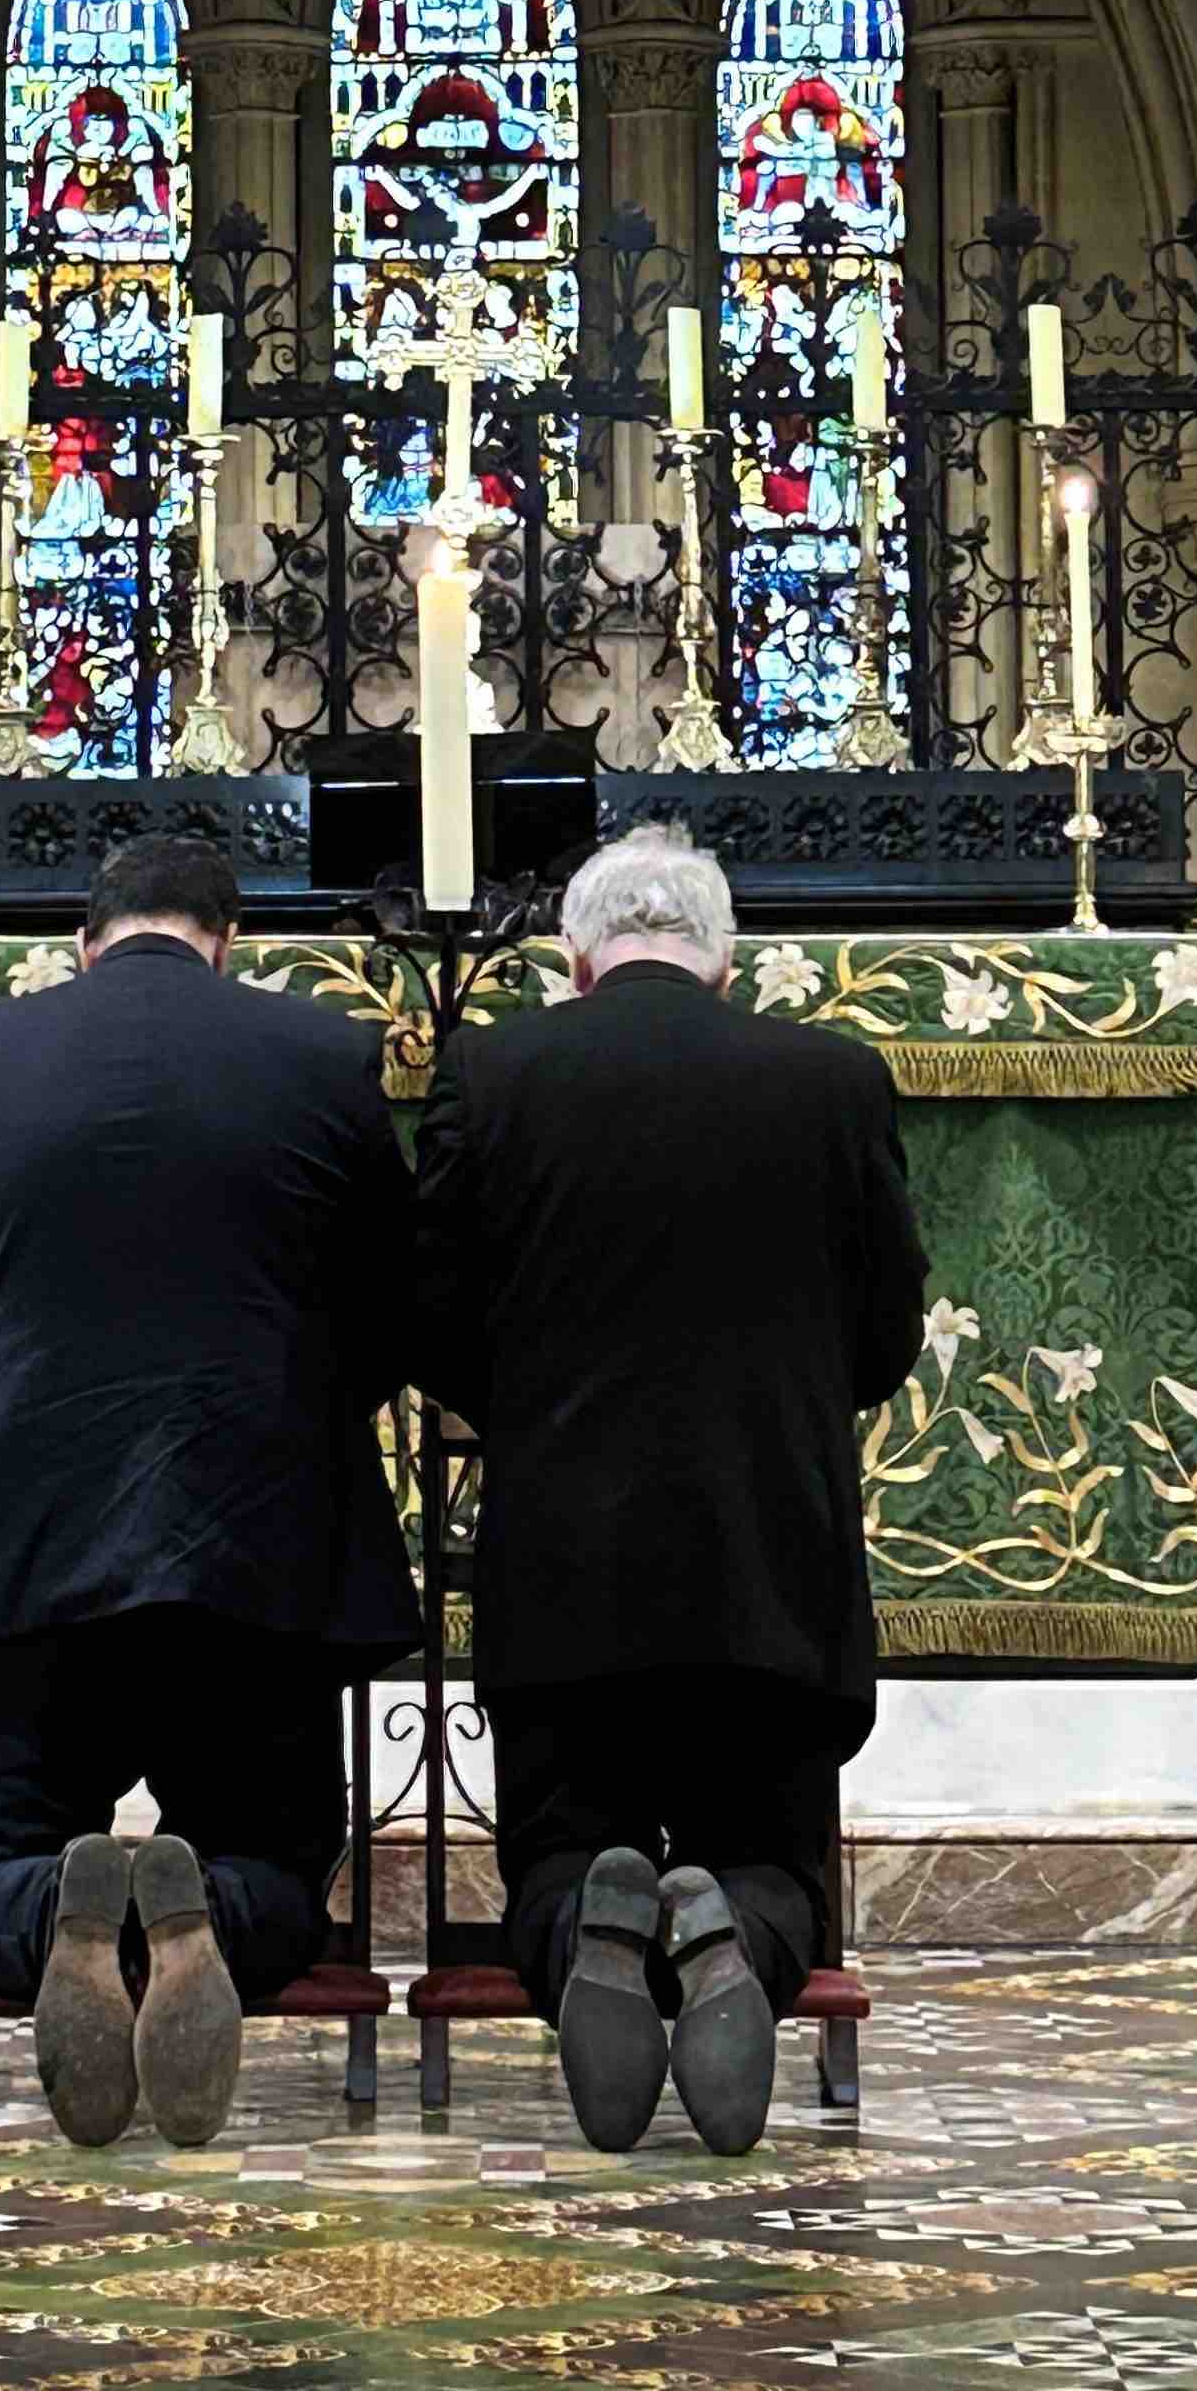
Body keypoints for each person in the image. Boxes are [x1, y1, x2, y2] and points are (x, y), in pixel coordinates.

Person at [0, 832, 417, 2150]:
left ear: (81, 941)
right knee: (279, 1863)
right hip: (260, 1545)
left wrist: (12, 1407)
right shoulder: (319, 1056)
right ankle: (203, 1915)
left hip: (25, 1544)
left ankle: (61, 1913)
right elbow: (396, 1315)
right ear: (235, 947)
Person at [413, 823, 926, 2155]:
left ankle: (595, 1916)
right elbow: (886, 1339)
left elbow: (428, 1317)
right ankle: (727, 1931)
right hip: (771, 1565)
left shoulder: (494, 1069)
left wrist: (527, 1410)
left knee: (557, 1848)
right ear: (725, 963)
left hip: (564, 1568)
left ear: (575, 963)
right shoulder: (833, 1079)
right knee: (772, 1855)